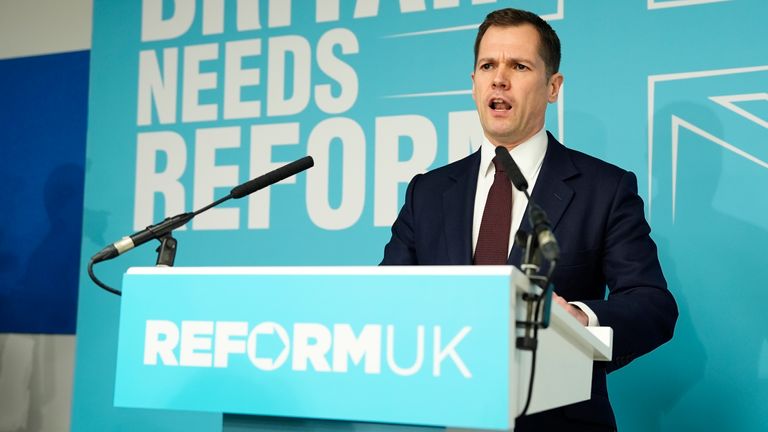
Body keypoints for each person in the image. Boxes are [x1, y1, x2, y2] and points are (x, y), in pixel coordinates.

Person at [381, 8, 678, 431]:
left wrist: (580, 318)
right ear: (474, 84)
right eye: (488, 66)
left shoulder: (604, 189)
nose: (499, 78)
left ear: (553, 87)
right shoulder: (427, 192)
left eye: (518, 66)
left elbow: (653, 306)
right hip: (454, 417)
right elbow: (387, 300)